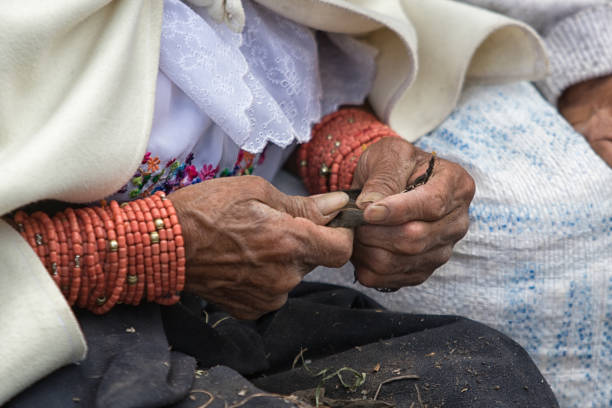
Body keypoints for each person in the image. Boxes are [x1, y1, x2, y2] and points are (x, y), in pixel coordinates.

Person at [0, 0, 564, 406]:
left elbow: (259, 98)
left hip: (205, 319)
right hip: (42, 337)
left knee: (483, 373)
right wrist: (151, 248)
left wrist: (363, 164)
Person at [304, 1, 612, 406]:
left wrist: (595, 81)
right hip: (312, 47)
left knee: (577, 211)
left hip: (439, 31)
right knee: (531, 221)